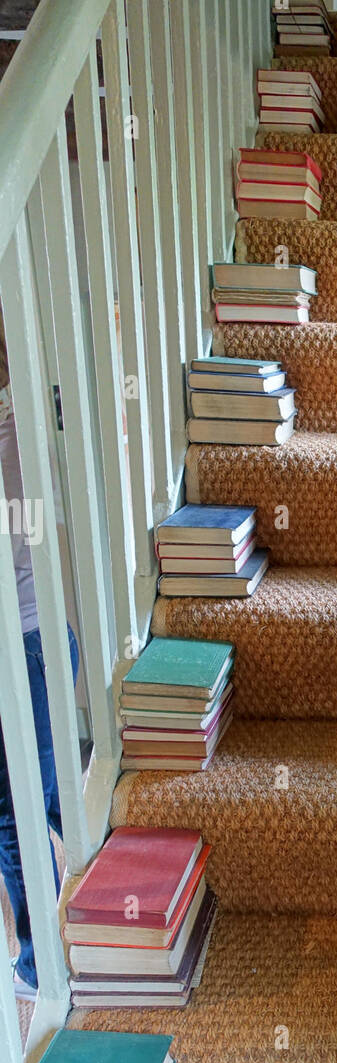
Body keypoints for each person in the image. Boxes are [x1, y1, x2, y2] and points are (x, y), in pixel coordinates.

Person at [0, 315, 79, 1000]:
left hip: (30, 648)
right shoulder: (22, 420)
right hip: (38, 643)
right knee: (34, 803)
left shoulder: (18, 428)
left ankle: (40, 965)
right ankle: (49, 951)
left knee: (25, 806)